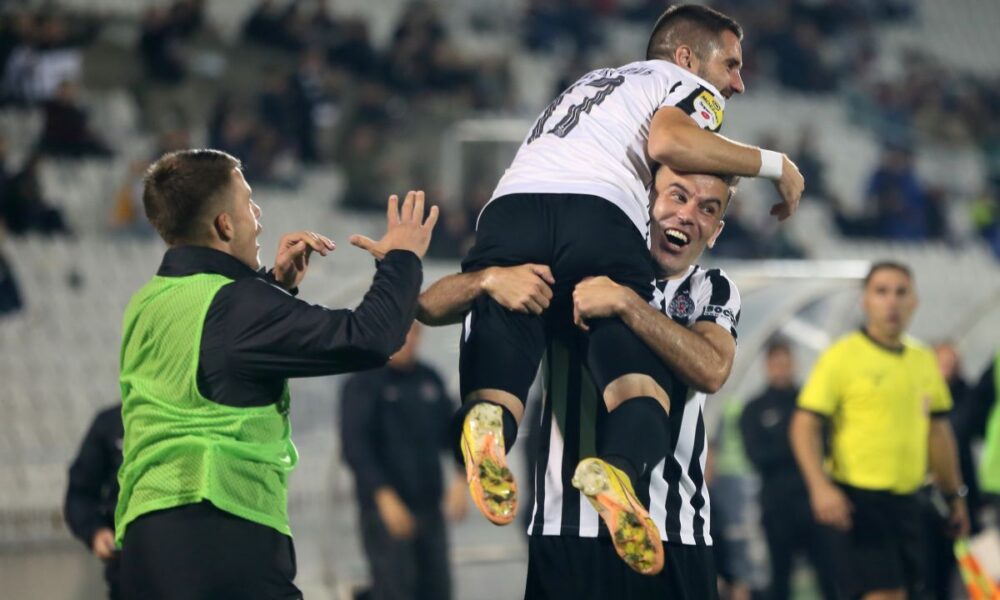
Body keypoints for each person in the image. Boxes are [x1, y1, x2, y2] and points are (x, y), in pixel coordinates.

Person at [453, 3, 803, 575]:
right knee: (625, 339)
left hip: (510, 203)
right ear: (687, 58)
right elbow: (668, 142)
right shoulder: (681, 85)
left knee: (508, 303)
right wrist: (773, 164)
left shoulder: (592, 85)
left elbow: (433, 303)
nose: (738, 83)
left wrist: (475, 277)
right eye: (731, 65)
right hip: (597, 211)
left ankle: (488, 418)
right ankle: (619, 468)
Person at [113, 148, 438, 599]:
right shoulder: (238, 307)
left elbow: (215, 356)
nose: (258, 216)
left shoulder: (148, 301)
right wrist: (401, 258)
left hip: (143, 538)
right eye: (248, 203)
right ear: (225, 225)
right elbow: (369, 338)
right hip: (220, 525)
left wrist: (272, 287)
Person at [419, 164, 741, 598]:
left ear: (716, 232)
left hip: (671, 530)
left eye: (707, 209)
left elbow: (712, 369)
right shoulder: (570, 270)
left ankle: (489, 418)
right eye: (677, 196)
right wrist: (488, 279)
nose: (687, 215)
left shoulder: (710, 287)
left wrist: (626, 302)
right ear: (646, 199)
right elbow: (429, 307)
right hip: (564, 527)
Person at [790, 262, 970, 600]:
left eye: (901, 292)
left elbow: (939, 434)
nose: (891, 302)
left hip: (910, 502)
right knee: (885, 595)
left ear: (914, 302)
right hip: (858, 503)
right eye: (881, 292)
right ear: (865, 301)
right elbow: (804, 424)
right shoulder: (841, 356)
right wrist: (819, 487)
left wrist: (953, 496)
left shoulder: (923, 360)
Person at [340, 322, 468, 600]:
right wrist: (384, 497)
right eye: (402, 331)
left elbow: (454, 435)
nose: (408, 340)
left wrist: (462, 478)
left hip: (430, 509)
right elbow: (356, 448)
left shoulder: (429, 379)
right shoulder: (364, 383)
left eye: (414, 332)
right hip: (385, 511)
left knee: (437, 589)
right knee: (395, 588)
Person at [739, 341, 837, 600]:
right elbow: (755, 455)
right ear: (767, 366)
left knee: (830, 574)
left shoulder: (810, 403)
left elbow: (827, 446)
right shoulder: (754, 408)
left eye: (786, 362)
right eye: (776, 363)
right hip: (776, 506)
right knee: (780, 578)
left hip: (814, 502)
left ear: (794, 364)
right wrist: (797, 445)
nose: (781, 368)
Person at [64, 403, 124, 600]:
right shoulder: (111, 423)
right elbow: (80, 493)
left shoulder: (201, 415)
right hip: (127, 561)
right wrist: (96, 531)